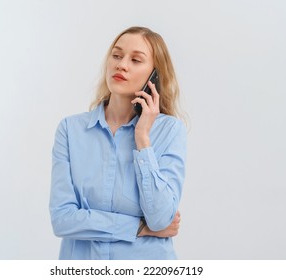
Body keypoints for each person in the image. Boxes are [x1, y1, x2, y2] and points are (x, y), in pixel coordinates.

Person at [50, 26, 187, 259]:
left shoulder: (169, 130)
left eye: (136, 60)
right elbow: (62, 220)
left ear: (154, 76)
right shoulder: (70, 130)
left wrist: (143, 138)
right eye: (116, 55)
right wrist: (137, 228)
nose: (121, 65)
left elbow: (161, 219)